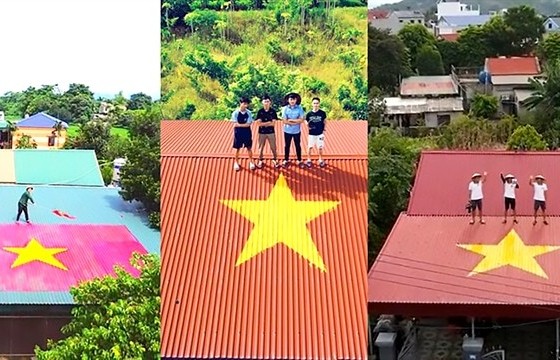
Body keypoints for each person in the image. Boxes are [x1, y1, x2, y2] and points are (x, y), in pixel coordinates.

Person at [255, 95, 279, 168]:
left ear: (270, 102)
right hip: (261, 133)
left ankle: (275, 159)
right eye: (265, 101)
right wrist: (268, 123)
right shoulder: (260, 112)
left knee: (273, 147)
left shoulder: (273, 111)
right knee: (260, 147)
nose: (266, 103)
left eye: (268, 101)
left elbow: (273, 123)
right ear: (262, 102)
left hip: (271, 132)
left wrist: (264, 124)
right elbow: (258, 124)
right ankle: (260, 160)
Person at [281, 92, 305, 168]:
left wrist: (291, 120)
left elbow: (301, 120)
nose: (292, 101)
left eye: (294, 99)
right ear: (288, 100)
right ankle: (286, 159)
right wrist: (296, 121)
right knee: (287, 145)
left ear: (296, 100)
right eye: (291, 99)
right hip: (287, 131)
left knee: (297, 145)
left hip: (296, 131)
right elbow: (284, 121)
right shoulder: (285, 109)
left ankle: (299, 160)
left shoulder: (299, 108)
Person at [231, 97, 255, 171]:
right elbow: (235, 124)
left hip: (247, 132)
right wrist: (242, 125)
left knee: (249, 147)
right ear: (240, 103)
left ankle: (251, 162)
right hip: (238, 132)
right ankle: (236, 162)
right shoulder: (235, 113)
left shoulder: (249, 113)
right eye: (244, 104)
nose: (245, 105)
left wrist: (240, 125)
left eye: (246, 104)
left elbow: (248, 124)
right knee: (237, 148)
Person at [305, 97, 327, 168]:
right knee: (310, 147)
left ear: (319, 104)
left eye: (317, 103)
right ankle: (309, 160)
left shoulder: (322, 113)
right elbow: (306, 120)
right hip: (311, 134)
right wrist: (307, 125)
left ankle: (320, 160)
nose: (316, 105)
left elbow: (324, 121)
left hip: (320, 134)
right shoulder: (309, 114)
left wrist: (324, 128)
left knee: (320, 147)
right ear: (312, 104)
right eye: (314, 103)